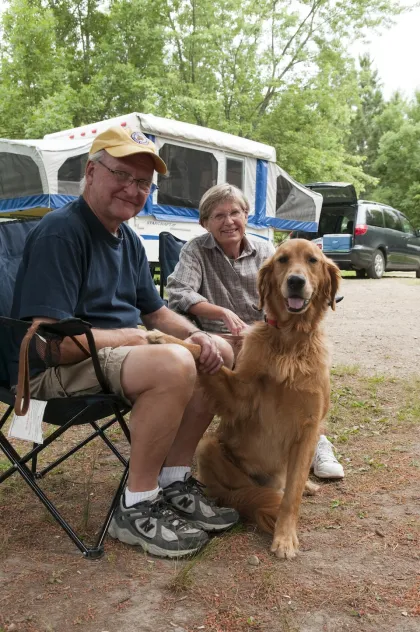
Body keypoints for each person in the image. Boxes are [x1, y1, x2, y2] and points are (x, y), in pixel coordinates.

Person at [10, 126, 239, 559]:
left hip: (118, 358)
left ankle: (172, 480)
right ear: (92, 172)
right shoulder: (62, 233)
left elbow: (154, 312)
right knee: (172, 364)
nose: (133, 190)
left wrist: (194, 333)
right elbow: (48, 344)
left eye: (142, 184)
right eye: (122, 175)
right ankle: (136, 505)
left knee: (218, 350)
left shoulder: (128, 239)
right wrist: (132, 338)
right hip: (56, 373)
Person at [167, 183, 344, 480]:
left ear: (246, 215)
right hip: (218, 339)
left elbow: (287, 293)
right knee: (228, 356)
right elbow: (178, 293)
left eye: (235, 212)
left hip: (263, 336)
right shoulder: (195, 250)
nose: (228, 221)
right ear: (205, 222)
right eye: (218, 215)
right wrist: (220, 311)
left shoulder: (266, 250)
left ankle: (314, 442)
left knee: (303, 376)